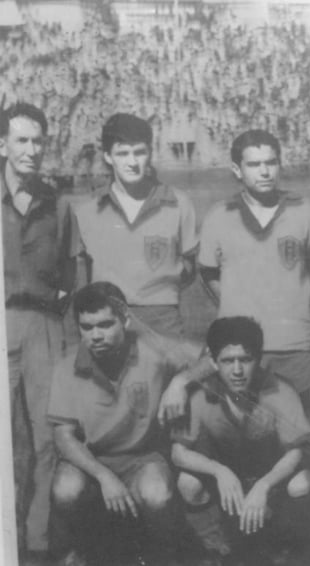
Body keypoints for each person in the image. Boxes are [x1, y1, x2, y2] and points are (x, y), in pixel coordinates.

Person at [46, 282, 201, 564]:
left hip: (142, 457)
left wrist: (180, 382)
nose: (96, 336)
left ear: (125, 320)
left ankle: (163, 558)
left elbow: (208, 356)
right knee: (66, 489)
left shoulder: (153, 351)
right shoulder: (66, 368)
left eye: (105, 325)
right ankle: (69, 556)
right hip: (90, 460)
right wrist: (104, 476)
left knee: (157, 495)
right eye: (87, 327)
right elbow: (64, 437)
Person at [172, 317, 310, 564]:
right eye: (228, 361)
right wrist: (219, 471)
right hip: (229, 489)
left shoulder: (279, 390)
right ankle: (218, 548)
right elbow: (179, 453)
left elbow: (295, 452)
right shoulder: (201, 393)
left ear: (259, 358)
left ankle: (286, 550)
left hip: (272, 486)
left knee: (302, 484)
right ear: (212, 361)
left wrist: (264, 485)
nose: (238, 370)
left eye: (246, 359)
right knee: (188, 482)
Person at [198, 129, 310, 399]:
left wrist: (299, 295)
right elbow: (208, 272)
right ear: (237, 169)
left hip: (293, 342)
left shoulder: (304, 210)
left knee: (302, 427)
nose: (265, 171)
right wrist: (234, 301)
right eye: (254, 165)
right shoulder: (218, 216)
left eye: (271, 162)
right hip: (237, 347)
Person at [1, 102, 73, 556]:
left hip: (45, 326)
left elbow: (71, 276)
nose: (31, 150)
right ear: (3, 143)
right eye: (21, 140)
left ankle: (38, 542)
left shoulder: (57, 205)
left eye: (38, 141)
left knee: (48, 438)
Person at [68, 113, 198, 337]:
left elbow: (189, 269)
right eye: (123, 154)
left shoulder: (178, 204)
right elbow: (80, 281)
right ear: (108, 157)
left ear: (150, 153)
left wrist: (155, 291)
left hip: (163, 322)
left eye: (139, 152)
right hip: (106, 320)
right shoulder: (86, 212)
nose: (132, 162)